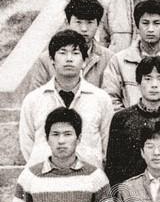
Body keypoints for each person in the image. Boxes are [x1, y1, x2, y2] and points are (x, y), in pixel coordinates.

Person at [20, 30, 114, 168]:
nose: (69, 59)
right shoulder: (33, 100)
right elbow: (27, 144)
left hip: (88, 176)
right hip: (45, 176)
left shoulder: (101, 99)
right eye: (62, 53)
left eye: (75, 53)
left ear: (84, 61)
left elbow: (107, 144)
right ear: (52, 60)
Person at [106, 56, 160, 187]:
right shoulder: (121, 118)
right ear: (138, 83)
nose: (154, 85)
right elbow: (113, 168)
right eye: (148, 78)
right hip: (130, 193)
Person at [102, 0, 160, 111]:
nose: (150, 29)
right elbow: (110, 99)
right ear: (137, 27)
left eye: (156, 23)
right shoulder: (119, 61)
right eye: (145, 23)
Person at [27, 0, 113, 90]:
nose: (84, 29)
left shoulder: (109, 59)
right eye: (78, 22)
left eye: (89, 22)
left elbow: (111, 95)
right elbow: (36, 95)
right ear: (67, 23)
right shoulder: (45, 60)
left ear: (98, 24)